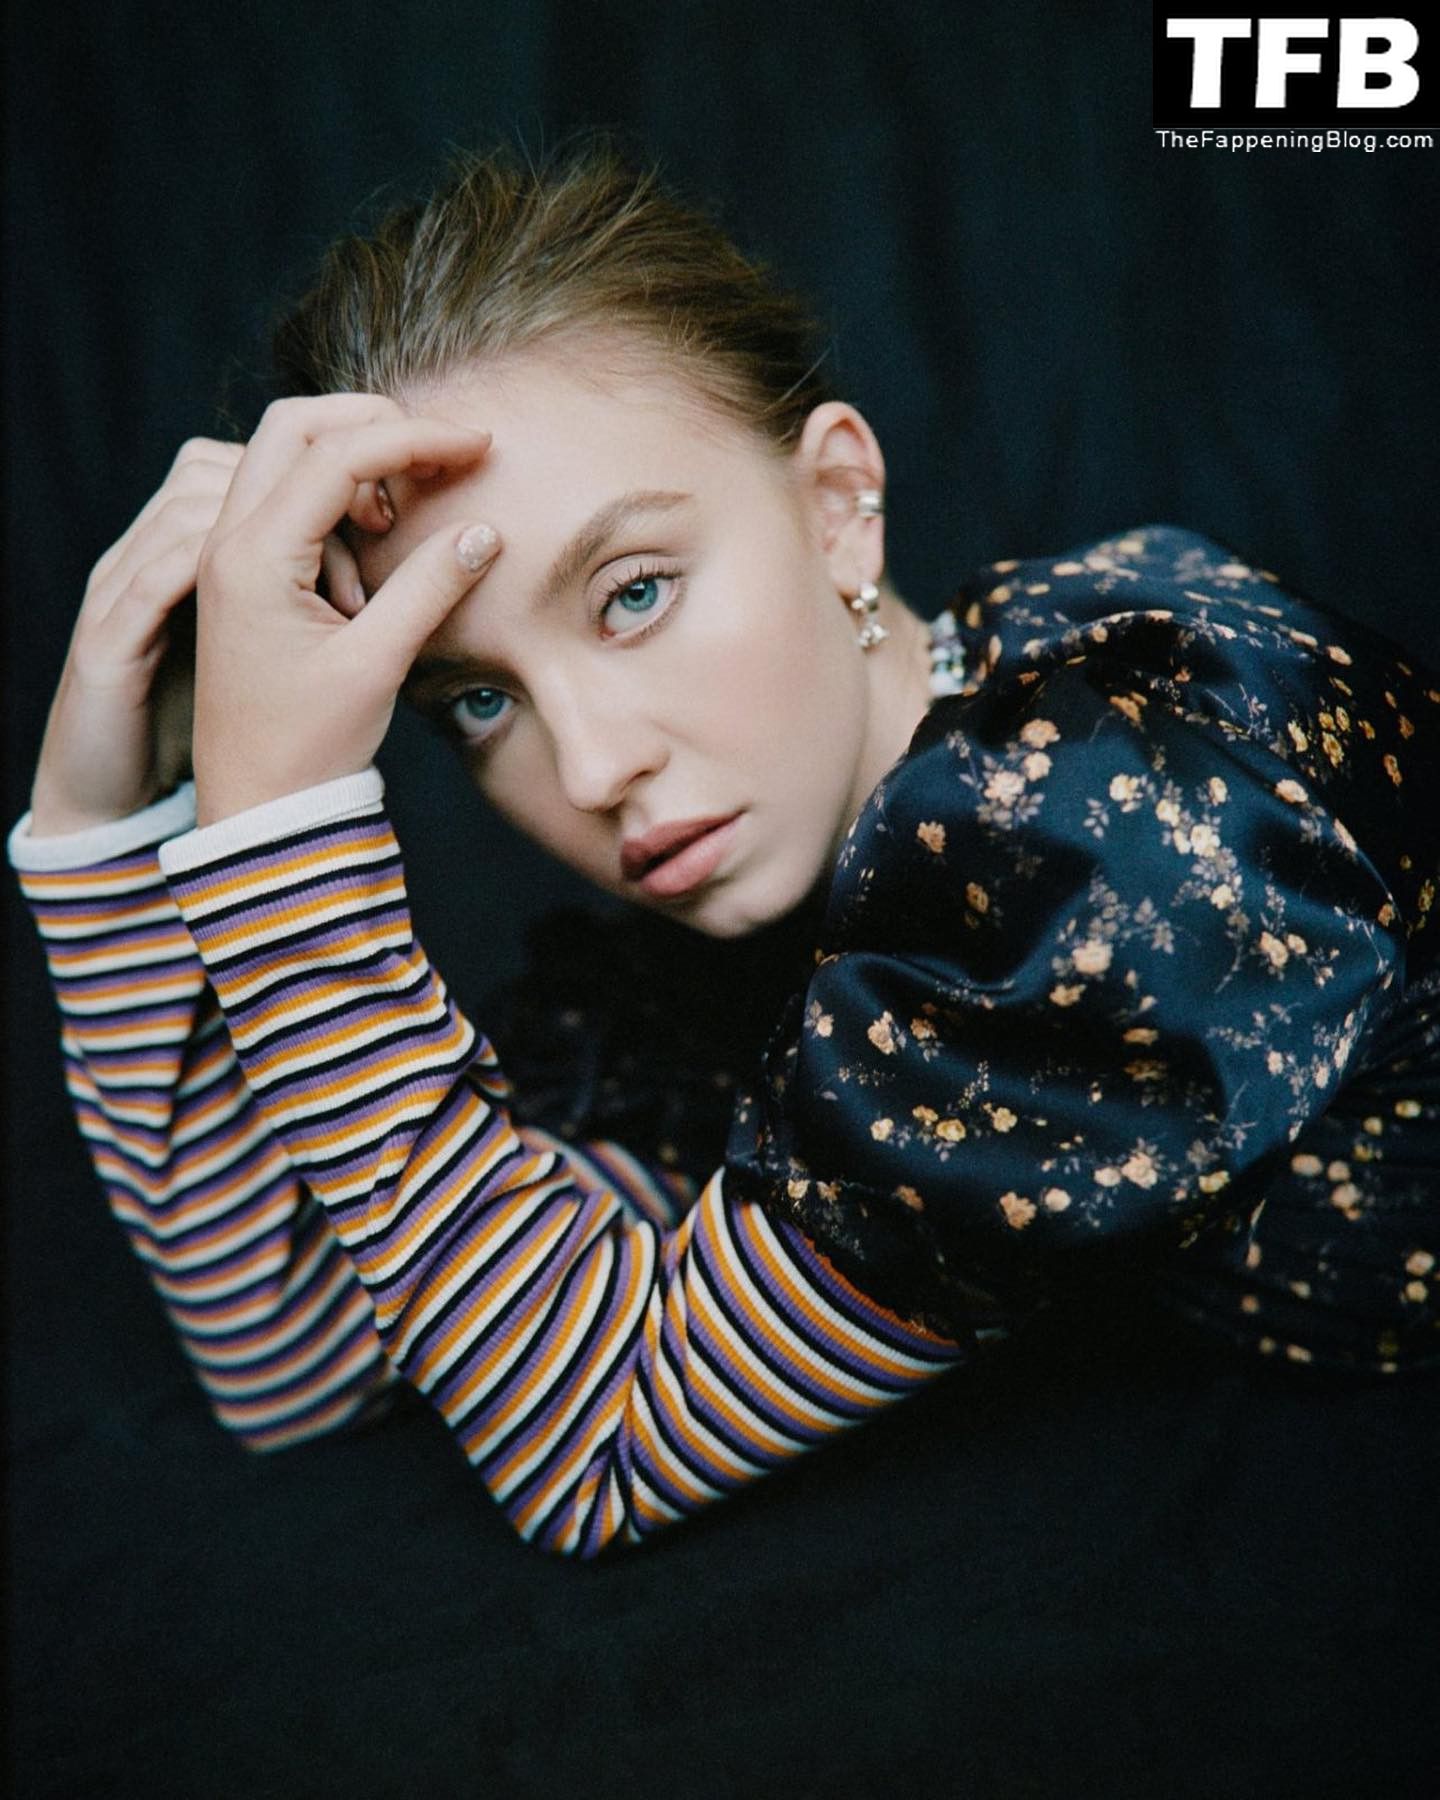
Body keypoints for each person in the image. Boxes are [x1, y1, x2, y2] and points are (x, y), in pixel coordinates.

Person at [11, 143, 1439, 1559]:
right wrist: (104, 823)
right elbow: (307, 1360)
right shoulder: (771, 931)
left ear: (836, 504)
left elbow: (593, 1445)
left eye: (633, 594)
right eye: (477, 701)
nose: (591, 769)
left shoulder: (1117, 836)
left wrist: (277, 834)